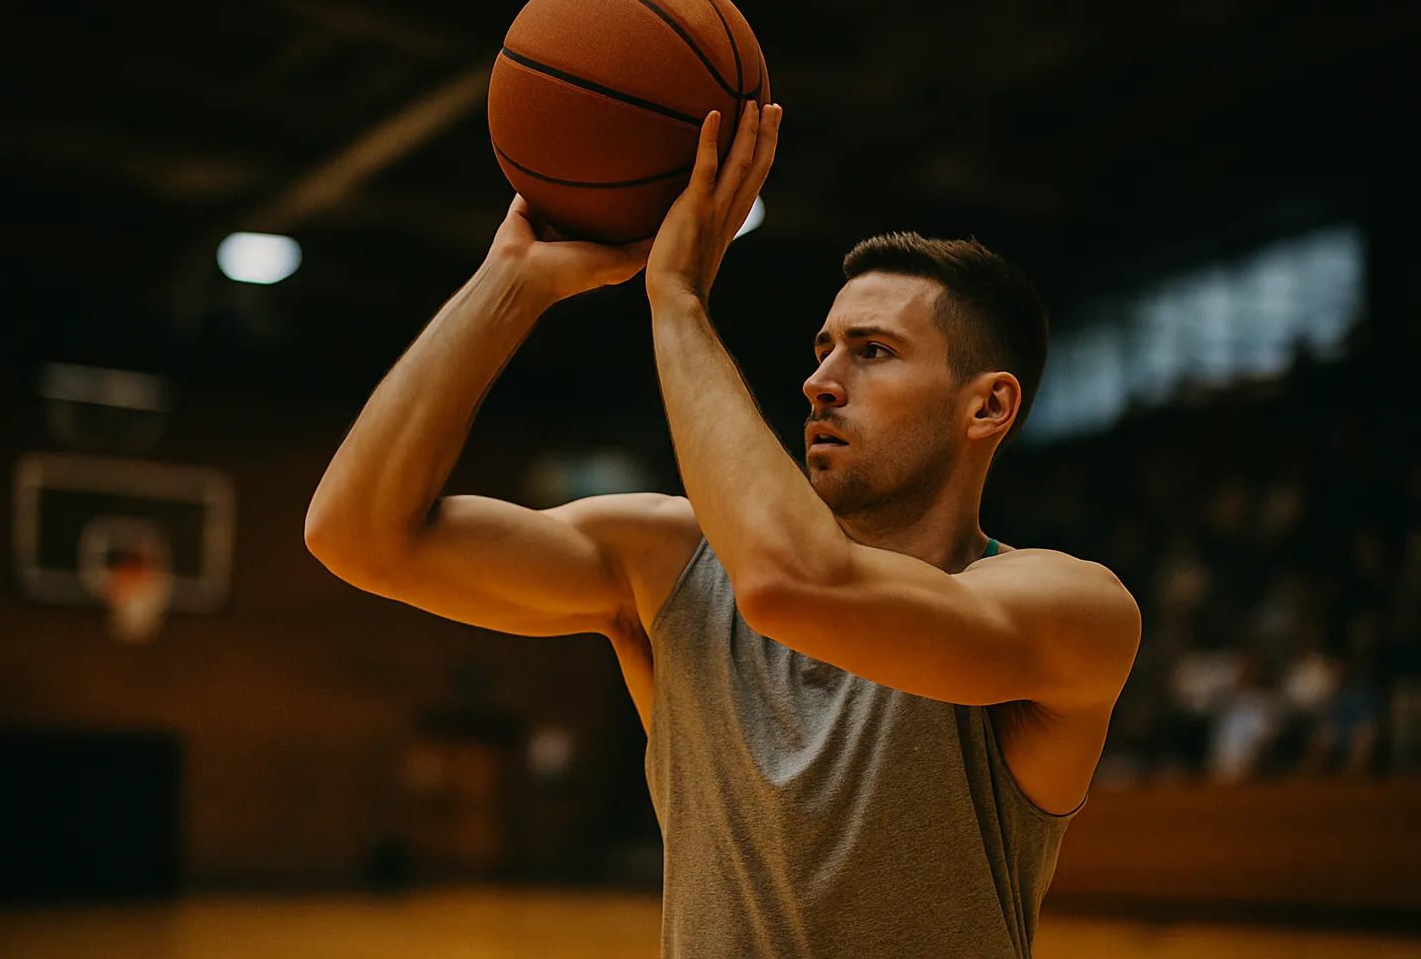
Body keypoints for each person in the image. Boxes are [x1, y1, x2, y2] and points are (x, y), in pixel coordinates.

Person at [306, 102, 1141, 959]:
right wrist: (510, 284)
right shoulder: (667, 562)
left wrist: (677, 305)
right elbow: (357, 535)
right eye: (822, 348)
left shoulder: (1069, 607)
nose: (820, 380)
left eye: (873, 350)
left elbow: (791, 586)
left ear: (989, 404)